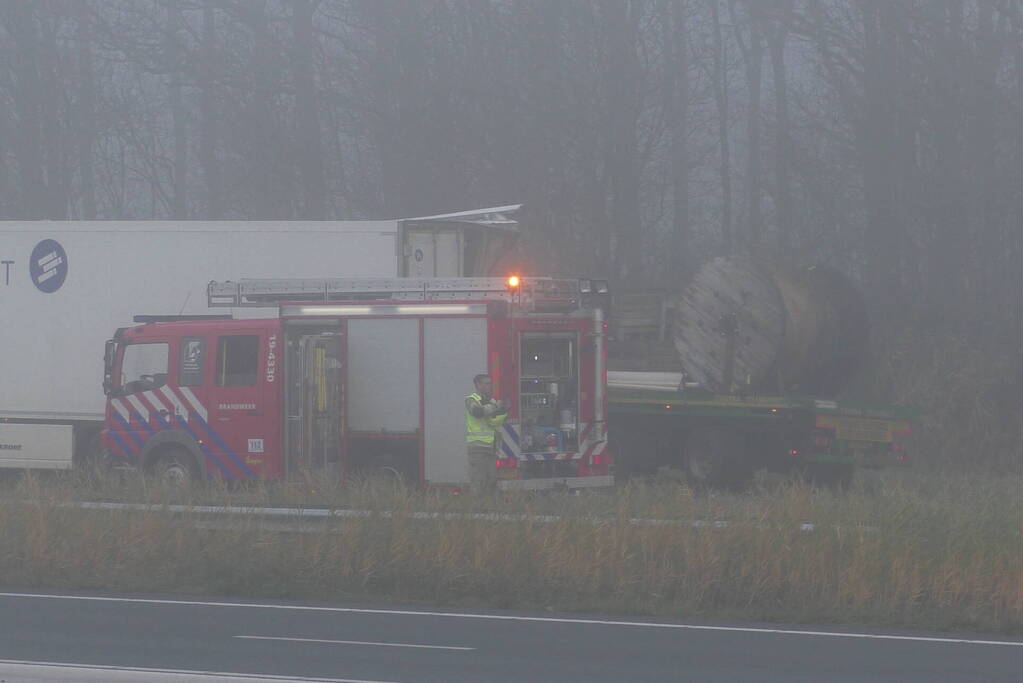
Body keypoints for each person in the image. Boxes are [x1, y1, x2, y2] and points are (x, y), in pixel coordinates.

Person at [465, 373, 508, 493]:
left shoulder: (491, 401)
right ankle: (477, 508)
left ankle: (489, 508)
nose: (490, 386)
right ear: (478, 385)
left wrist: (503, 411)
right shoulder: (471, 400)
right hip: (477, 449)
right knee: (478, 482)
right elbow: (477, 412)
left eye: (490, 383)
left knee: (491, 482)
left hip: (491, 448)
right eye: (486, 383)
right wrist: (495, 406)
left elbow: (494, 421)